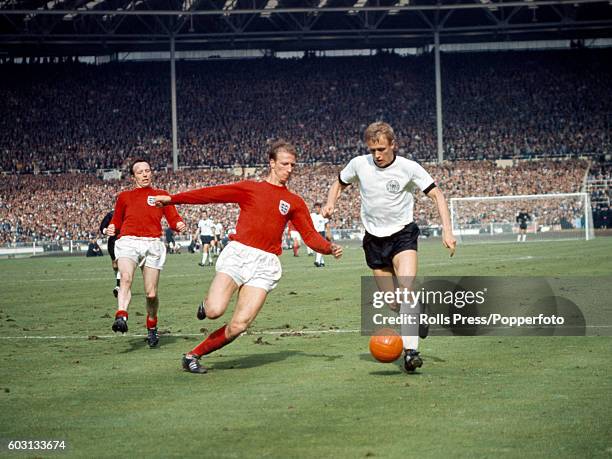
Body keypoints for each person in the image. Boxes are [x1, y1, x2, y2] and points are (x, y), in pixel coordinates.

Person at [153, 139, 343, 374]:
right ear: (272, 163)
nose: (290, 169)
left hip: (266, 264)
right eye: (285, 164)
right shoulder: (250, 188)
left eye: (293, 165)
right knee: (214, 311)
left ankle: (193, 355)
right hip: (239, 254)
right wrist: (174, 199)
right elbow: (212, 194)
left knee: (240, 324)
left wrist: (328, 247)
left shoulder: (294, 202)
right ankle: (206, 304)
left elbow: (310, 236)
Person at [323, 121, 456, 373]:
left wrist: (447, 231)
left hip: (403, 236)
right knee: (393, 304)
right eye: (373, 150)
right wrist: (331, 203)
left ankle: (411, 353)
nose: (377, 155)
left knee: (405, 291)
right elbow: (339, 183)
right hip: (373, 240)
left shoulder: (408, 168)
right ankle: (421, 309)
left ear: (393, 145)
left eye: (382, 149)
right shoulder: (359, 164)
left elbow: (437, 194)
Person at [105, 159, 186, 348]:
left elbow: (173, 218)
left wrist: (178, 225)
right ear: (133, 177)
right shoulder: (125, 196)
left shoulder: (162, 195)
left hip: (152, 244)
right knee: (125, 278)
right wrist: (112, 227)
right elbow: (116, 220)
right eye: (140, 172)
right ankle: (122, 316)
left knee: (151, 294)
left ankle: (151, 324)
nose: (145, 174)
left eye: (147, 170)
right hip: (128, 241)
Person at [100, 210, 121, 297]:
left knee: (121, 264)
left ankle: (118, 286)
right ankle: (119, 284)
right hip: (112, 242)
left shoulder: (128, 213)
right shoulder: (111, 214)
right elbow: (102, 227)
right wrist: (105, 231)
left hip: (123, 242)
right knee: (115, 266)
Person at [310, 202, 331, 267]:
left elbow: (327, 225)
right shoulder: (312, 215)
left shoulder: (323, 215)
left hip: (321, 233)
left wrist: (328, 233)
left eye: (318, 207)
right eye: (315, 207)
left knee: (319, 247)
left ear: (320, 208)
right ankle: (322, 262)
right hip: (314, 233)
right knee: (318, 248)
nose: (317, 209)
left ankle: (317, 261)